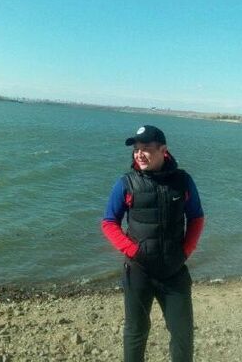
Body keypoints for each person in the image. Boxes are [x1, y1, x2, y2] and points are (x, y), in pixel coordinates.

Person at [102, 125, 205, 362]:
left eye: (146, 149)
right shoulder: (126, 183)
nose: (139, 154)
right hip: (139, 270)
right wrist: (133, 251)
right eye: (136, 149)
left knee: (183, 333)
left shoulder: (183, 181)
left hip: (174, 270)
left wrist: (186, 250)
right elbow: (109, 222)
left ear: (163, 150)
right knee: (136, 331)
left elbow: (196, 217)